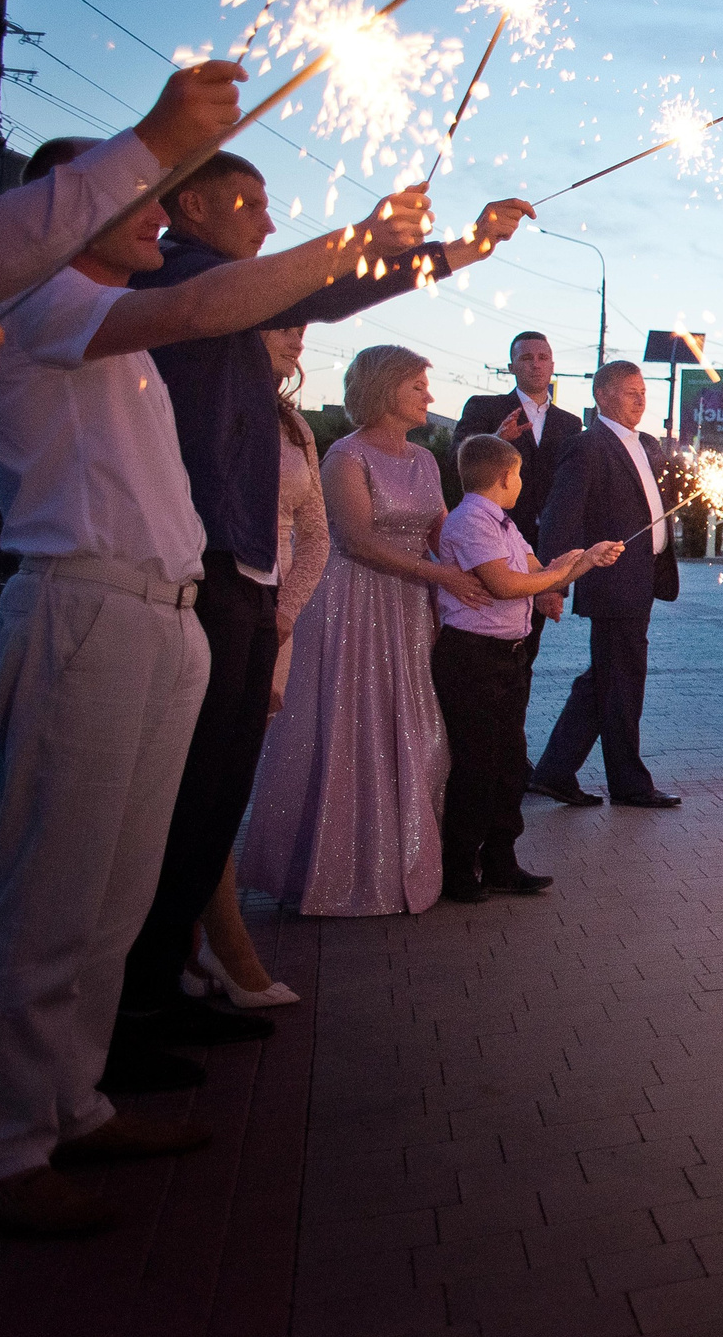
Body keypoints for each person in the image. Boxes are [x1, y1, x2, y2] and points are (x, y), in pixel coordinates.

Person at [0, 184, 427, 1238]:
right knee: (54, 884)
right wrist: (375, 240)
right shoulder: (48, 306)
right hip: (85, 601)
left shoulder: (129, 340)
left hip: (166, 608)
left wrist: (431, 251)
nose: (152, 219)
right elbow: (210, 303)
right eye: (133, 200)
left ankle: (74, 1099)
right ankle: (9, 1142)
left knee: (115, 888)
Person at [111, 154, 530, 1084]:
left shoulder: (235, 308)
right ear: (186, 205)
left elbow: (329, 293)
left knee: (210, 796)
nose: (266, 222)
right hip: (183, 573)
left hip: (243, 585)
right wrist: (405, 242)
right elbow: (326, 288)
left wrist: (459, 246)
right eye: (249, 203)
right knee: (168, 801)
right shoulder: (182, 283)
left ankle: (162, 988)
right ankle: (122, 1018)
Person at [239, 346, 483, 917]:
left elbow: (444, 533)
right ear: (383, 388)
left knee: (417, 726)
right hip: (354, 604)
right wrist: (439, 574)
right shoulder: (345, 457)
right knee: (353, 722)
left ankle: (404, 860)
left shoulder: (425, 461)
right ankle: (335, 867)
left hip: (409, 607)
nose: (429, 395)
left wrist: (505, 563)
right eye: (418, 385)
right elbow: (356, 541)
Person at [184, 325, 327, 1011]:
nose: (295, 335)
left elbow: (317, 534)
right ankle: (210, 938)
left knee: (227, 778)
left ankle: (189, 940)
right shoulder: (204, 399)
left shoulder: (295, 423)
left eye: (302, 325)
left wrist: (284, 609)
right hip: (210, 599)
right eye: (280, 321)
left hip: (271, 616)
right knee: (193, 780)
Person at [433, 436, 621, 902]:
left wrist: (585, 557)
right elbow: (506, 584)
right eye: (518, 475)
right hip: (472, 657)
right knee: (476, 765)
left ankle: (501, 861)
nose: (521, 482)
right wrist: (562, 576)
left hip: (508, 657)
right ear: (504, 477)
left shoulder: (503, 522)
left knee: (508, 763)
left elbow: (541, 567)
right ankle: (459, 868)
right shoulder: (470, 521)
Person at [529, 360, 686, 808]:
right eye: (630, 391)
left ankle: (555, 772)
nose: (641, 399)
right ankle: (629, 783)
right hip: (612, 579)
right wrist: (551, 583)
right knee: (621, 678)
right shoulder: (587, 446)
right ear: (602, 395)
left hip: (644, 577)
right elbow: (561, 518)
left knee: (608, 677)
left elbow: (666, 494)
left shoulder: (650, 445)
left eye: (643, 391)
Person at [0, 62, 241, 309]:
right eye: (131, 193)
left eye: (153, 196)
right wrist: (156, 140)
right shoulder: (37, 314)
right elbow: (193, 312)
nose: (162, 218)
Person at [453, 330, 583, 659]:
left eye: (542, 358)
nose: (535, 365)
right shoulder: (486, 408)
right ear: (512, 366)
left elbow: (569, 494)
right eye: (526, 358)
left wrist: (556, 584)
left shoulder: (570, 423)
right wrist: (497, 439)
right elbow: (458, 461)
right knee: (490, 648)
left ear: (552, 365)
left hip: (544, 549)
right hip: (492, 547)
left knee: (528, 653)